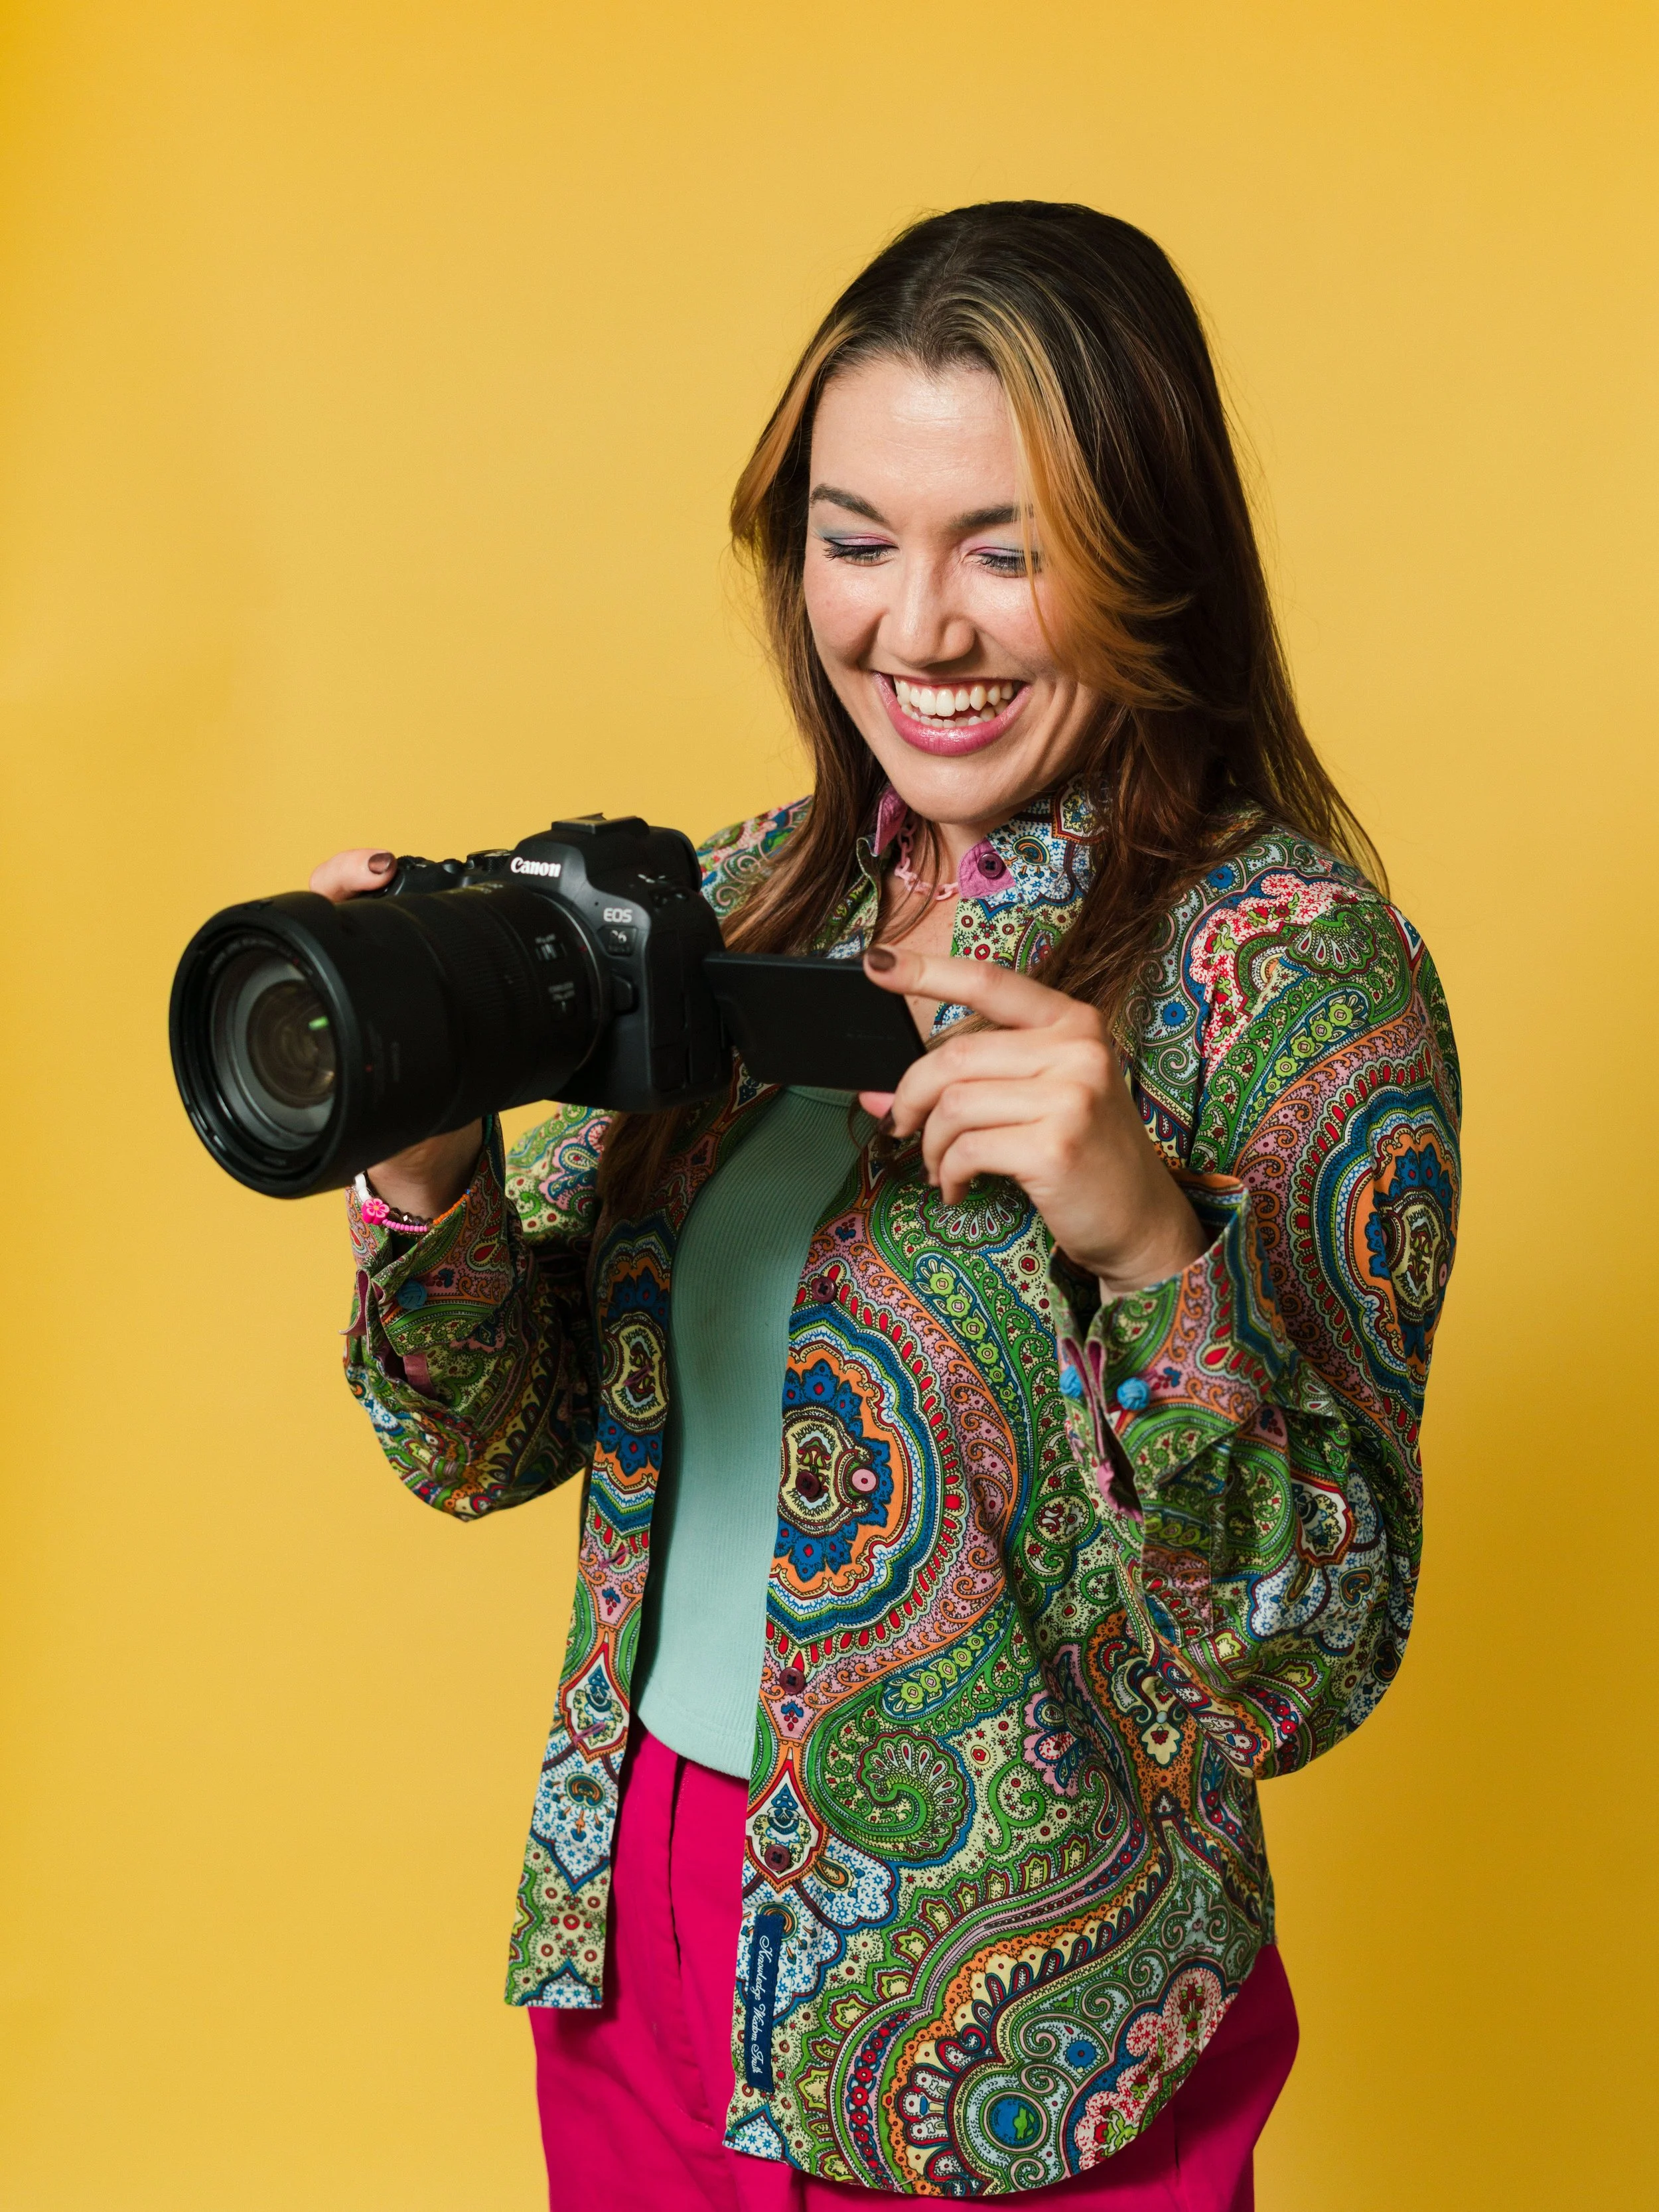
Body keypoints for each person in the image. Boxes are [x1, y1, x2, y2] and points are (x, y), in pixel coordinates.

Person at [313, 202, 1459, 2207]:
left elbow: (1305, 1666)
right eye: (856, 540)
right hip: (646, 1940)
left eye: (1006, 550)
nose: (916, 629)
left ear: (1151, 554)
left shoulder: (1290, 976)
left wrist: (1147, 1249)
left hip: (1015, 2020)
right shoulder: (741, 899)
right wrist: (429, 1177)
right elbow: (487, 1444)